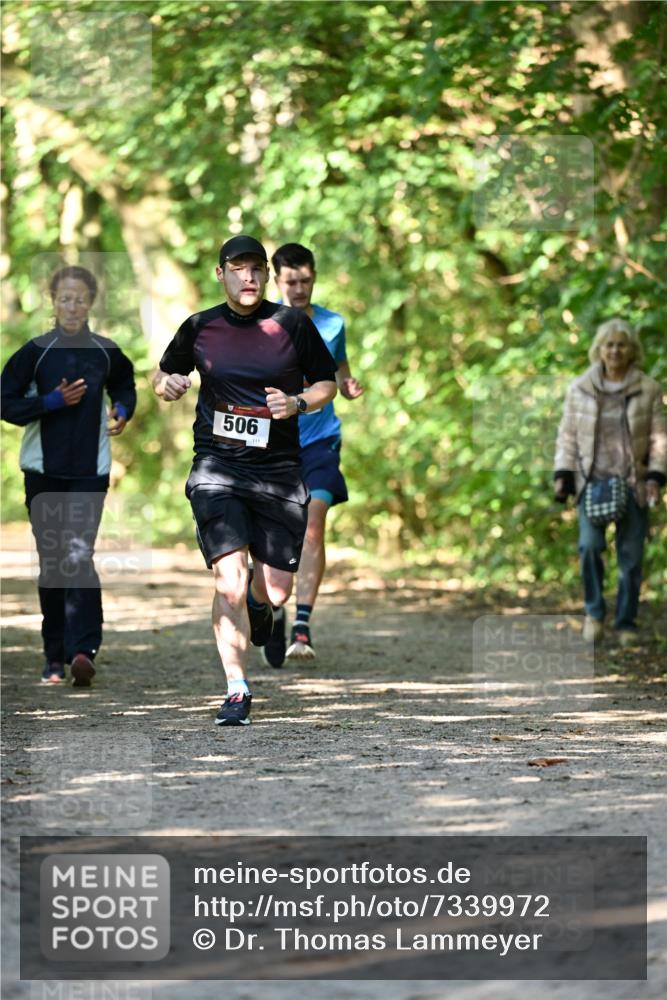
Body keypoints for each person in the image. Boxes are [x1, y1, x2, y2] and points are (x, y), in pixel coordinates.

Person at [152, 235, 337, 726]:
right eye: (238, 269)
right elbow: (164, 374)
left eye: (256, 268)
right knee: (230, 581)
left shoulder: (291, 324)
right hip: (217, 467)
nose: (248, 277)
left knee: (274, 591)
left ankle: (265, 608)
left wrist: (298, 403)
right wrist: (166, 385)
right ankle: (237, 687)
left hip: (278, 471)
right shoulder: (200, 327)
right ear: (222, 275)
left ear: (265, 275)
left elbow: (326, 382)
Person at [1, 265, 136, 685]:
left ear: (91, 302)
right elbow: (6, 405)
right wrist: (52, 401)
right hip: (42, 471)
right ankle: (53, 656)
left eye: (80, 298)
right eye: (65, 298)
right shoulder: (34, 352)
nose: (72, 305)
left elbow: (126, 384)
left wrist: (122, 410)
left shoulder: (105, 350)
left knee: (78, 555)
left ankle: (82, 650)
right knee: (53, 561)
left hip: (90, 471)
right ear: (53, 302)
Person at [261, 243, 363, 669]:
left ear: (314, 277)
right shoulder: (262, 324)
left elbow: (339, 368)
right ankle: (272, 604)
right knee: (270, 535)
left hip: (320, 440)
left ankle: (302, 626)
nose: (299, 289)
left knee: (313, 523)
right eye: (290, 282)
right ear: (277, 281)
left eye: (305, 281)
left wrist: (348, 384)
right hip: (272, 443)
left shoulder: (333, 323)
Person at [554, 318, 666, 645]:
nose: (615, 350)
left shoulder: (648, 389)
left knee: (631, 557)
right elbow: (567, 436)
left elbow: (660, 439)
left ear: (632, 350)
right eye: (609, 344)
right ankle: (594, 613)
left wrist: (656, 477)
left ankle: (626, 623)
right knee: (590, 547)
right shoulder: (579, 388)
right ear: (599, 350)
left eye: (622, 344)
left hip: (633, 483)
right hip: (592, 481)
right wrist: (563, 474)